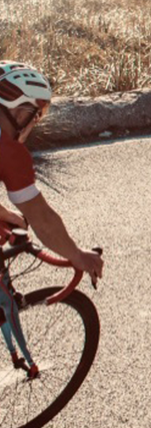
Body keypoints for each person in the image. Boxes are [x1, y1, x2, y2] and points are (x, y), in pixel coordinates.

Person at [0, 62, 104, 375]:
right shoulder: (8, 151)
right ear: (19, 113)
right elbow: (42, 218)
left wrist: (4, 215)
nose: (34, 124)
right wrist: (77, 255)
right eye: (35, 116)